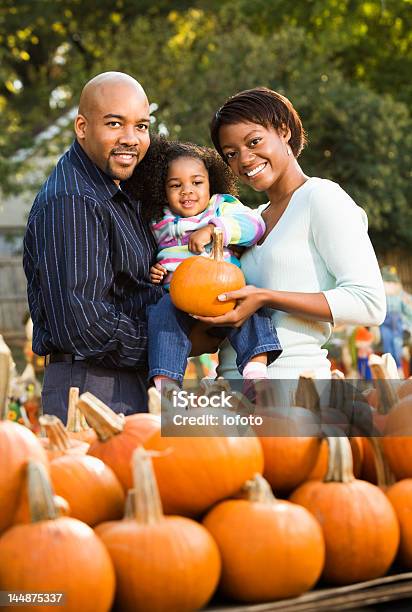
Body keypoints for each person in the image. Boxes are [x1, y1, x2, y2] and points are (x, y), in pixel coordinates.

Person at [193, 86, 386, 382]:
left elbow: (369, 304)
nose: (244, 159)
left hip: (294, 386)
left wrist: (266, 297)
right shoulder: (248, 221)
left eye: (254, 141)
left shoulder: (320, 198)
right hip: (230, 392)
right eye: (231, 153)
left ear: (284, 131)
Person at [23, 71, 167, 420]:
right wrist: (168, 345)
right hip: (93, 387)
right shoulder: (73, 200)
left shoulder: (116, 190)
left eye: (142, 126)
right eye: (115, 124)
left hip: (130, 378)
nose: (131, 139)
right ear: (82, 127)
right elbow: (82, 324)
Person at [125, 138, 282, 390]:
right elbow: (153, 253)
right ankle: (166, 382)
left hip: (223, 290)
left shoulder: (220, 206)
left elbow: (255, 225)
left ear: (211, 183)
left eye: (197, 183)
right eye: (176, 185)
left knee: (249, 306)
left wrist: (214, 229)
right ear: (162, 190)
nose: (187, 191)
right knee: (161, 318)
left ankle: (255, 369)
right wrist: (155, 270)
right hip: (177, 295)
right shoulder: (159, 219)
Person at [380, 264, 412, 378]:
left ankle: (398, 368)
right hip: (384, 320)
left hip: (396, 320)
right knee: (387, 344)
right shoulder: (380, 292)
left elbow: (408, 306)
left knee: (396, 343)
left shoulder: (399, 293)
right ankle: (392, 369)